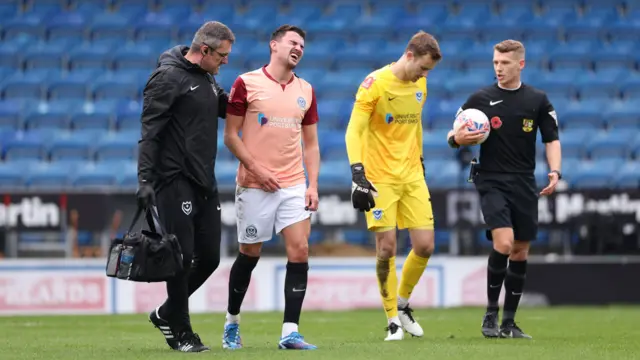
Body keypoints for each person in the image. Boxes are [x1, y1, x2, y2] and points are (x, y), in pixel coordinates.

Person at [447, 39, 562, 339]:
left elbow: (551, 138)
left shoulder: (538, 100)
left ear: (520, 64)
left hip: (525, 181)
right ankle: (490, 314)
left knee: (521, 250)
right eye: (496, 62)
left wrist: (555, 170)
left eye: (505, 63)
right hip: (491, 179)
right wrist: (458, 139)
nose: (498, 68)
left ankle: (509, 323)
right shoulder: (480, 98)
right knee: (504, 243)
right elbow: (453, 133)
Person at [136, 21, 235, 352]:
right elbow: (150, 132)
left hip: (204, 179)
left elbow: (223, 107)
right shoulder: (167, 78)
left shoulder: (206, 77)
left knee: (208, 258)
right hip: (173, 179)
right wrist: (145, 180)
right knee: (181, 257)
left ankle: (166, 312)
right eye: (222, 55)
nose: (226, 62)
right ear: (204, 50)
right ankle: (182, 332)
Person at [221, 24, 320, 350]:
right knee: (250, 253)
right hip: (254, 184)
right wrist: (256, 169)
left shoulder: (306, 89)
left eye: (302, 46)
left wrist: (312, 184)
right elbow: (231, 136)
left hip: (292, 183)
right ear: (274, 45)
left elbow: (311, 144)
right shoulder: (246, 83)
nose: (298, 48)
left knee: (300, 249)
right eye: (293, 42)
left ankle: (290, 331)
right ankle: (232, 322)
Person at [345, 31, 442, 341]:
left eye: (428, 71)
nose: (424, 76)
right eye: (423, 68)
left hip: (412, 175)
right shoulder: (373, 85)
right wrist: (358, 175)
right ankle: (391, 321)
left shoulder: (420, 85)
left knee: (425, 245)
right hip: (380, 178)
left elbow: (415, 126)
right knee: (386, 248)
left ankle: (401, 304)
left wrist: (421, 160)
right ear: (409, 55)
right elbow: (353, 132)